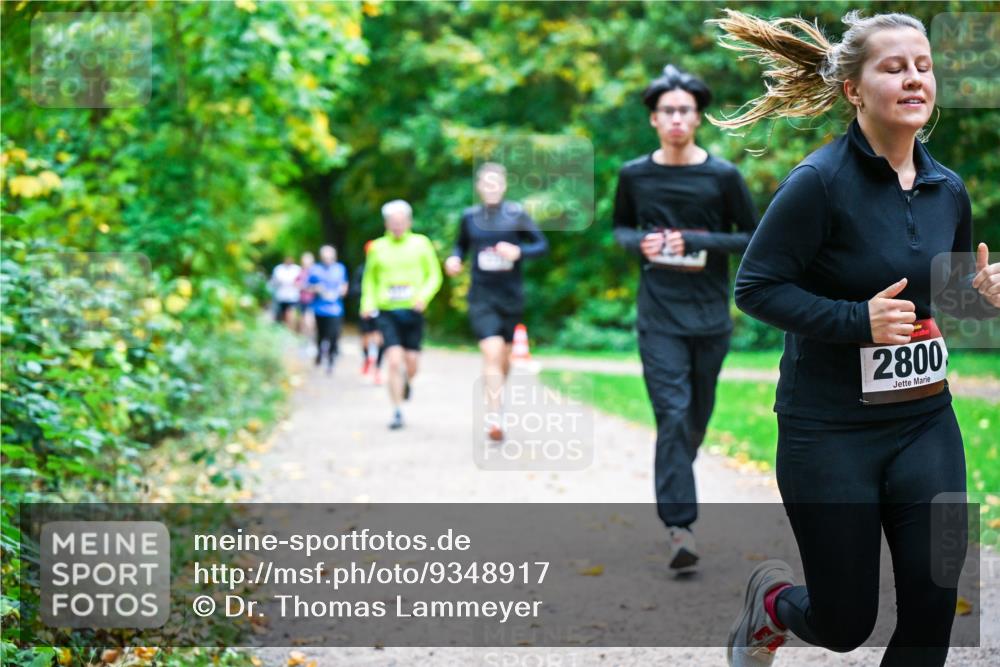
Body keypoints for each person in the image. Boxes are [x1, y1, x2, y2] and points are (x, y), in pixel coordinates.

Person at [709, 10, 1000, 666]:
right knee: (844, 620)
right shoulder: (819, 183)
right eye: (894, 67)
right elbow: (755, 286)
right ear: (853, 90)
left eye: (923, 66)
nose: (915, 79)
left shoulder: (947, 189)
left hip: (928, 421)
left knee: (935, 601)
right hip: (828, 428)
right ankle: (774, 603)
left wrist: (982, 296)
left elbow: (937, 304)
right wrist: (854, 321)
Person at [611, 64, 758, 571]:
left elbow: (751, 239)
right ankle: (681, 526)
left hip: (710, 318)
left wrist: (695, 241)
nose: (676, 118)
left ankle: (677, 472)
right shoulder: (634, 174)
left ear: (697, 118)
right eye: (667, 111)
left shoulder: (722, 177)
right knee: (672, 416)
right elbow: (620, 229)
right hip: (658, 318)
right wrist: (640, 243)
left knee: (693, 422)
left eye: (685, 111)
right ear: (654, 119)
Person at [445, 162, 548, 443]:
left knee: (503, 358)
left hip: (510, 296)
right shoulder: (470, 217)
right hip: (481, 295)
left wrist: (518, 251)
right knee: (490, 352)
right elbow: (460, 246)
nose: (491, 188)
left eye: (496, 183)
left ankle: (497, 404)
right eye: (486, 184)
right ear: (479, 187)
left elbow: (542, 245)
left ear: (503, 186)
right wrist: (454, 259)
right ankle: (494, 416)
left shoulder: (516, 215)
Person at [361, 200, 443, 430]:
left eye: (401, 221)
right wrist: (367, 303)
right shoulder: (377, 247)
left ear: (408, 221)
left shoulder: (421, 244)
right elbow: (369, 279)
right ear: (386, 223)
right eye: (392, 222)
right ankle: (397, 411)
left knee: (412, 363)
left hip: (413, 310)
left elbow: (434, 275)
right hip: (387, 311)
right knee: (394, 361)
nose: (397, 225)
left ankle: (407, 381)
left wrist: (424, 297)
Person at [308, 245, 348, 374]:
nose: (328, 260)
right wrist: (317, 289)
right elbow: (307, 287)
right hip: (319, 309)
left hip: (335, 309)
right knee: (321, 334)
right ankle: (320, 353)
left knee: (333, 335)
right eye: (325, 257)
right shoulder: (315, 269)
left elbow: (344, 285)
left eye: (330, 257)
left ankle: (331, 360)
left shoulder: (340, 269)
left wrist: (341, 291)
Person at [352, 240, 384, 384]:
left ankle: (377, 369)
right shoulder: (361, 270)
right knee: (365, 339)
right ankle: (366, 359)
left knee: (379, 339)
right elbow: (354, 289)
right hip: (365, 308)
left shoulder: (384, 268)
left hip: (381, 309)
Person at [268, 256, 301, 327]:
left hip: (292, 297)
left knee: (291, 315)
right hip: (280, 297)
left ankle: (290, 329)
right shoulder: (278, 269)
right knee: (280, 316)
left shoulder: (297, 269)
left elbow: (300, 282)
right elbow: (273, 282)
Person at [294, 251, 316, 338]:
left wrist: (306, 288)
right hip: (302, 300)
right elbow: (296, 284)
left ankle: (311, 339)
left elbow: (318, 287)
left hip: (313, 301)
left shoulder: (315, 272)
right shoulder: (300, 271)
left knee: (310, 321)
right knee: (302, 321)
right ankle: (304, 340)